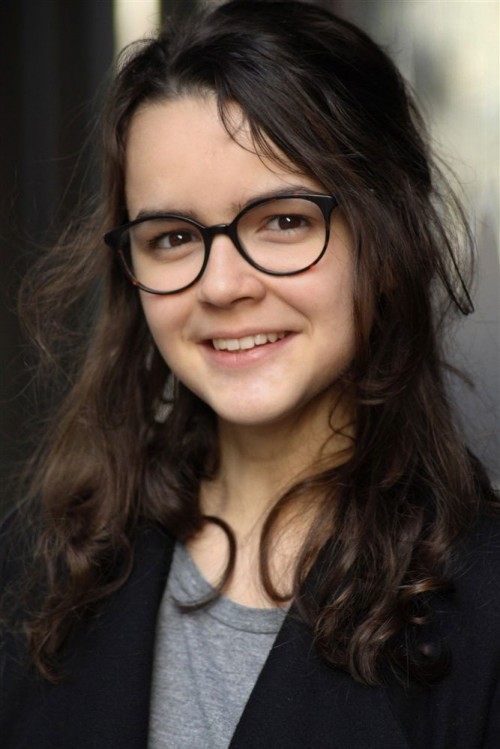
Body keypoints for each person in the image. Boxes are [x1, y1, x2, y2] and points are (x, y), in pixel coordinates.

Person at [1, 1, 499, 747]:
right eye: (172, 237)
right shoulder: (41, 566)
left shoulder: (487, 606)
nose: (223, 285)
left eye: (284, 221)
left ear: (386, 237)